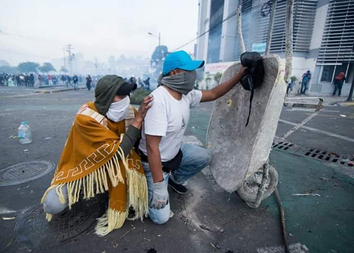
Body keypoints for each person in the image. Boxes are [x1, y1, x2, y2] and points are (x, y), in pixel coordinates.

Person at [138, 50, 246, 224]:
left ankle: (174, 179)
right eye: (188, 71)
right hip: (155, 162)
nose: (193, 75)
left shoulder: (185, 94)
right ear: (174, 73)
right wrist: (159, 187)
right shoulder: (158, 101)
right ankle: (155, 183)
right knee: (160, 218)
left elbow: (213, 94)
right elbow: (152, 148)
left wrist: (239, 76)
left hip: (175, 152)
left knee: (205, 156)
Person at [41, 75, 154, 236]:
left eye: (127, 96)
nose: (126, 100)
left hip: (114, 164)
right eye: (121, 96)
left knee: (131, 179)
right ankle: (93, 185)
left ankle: (112, 188)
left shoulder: (129, 112)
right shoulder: (86, 117)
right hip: (85, 166)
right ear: (106, 97)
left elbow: (135, 144)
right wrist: (139, 119)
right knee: (52, 205)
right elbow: (119, 151)